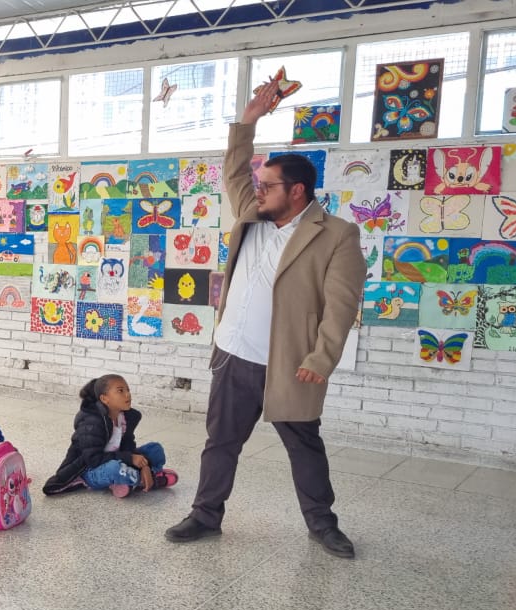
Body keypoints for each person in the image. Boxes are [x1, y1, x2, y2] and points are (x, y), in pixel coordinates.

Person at [164, 78, 367, 559]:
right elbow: (234, 169)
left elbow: (341, 304)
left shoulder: (336, 234)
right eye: (258, 185)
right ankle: (205, 515)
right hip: (234, 355)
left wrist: (322, 358)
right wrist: (250, 119)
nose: (257, 190)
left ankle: (322, 525)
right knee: (221, 443)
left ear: (296, 192)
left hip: (291, 363)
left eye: (268, 185)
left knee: (304, 447)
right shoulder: (253, 215)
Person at [42, 375, 177, 497]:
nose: (128, 395)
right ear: (104, 398)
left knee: (155, 449)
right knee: (114, 468)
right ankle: (150, 479)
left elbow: (128, 445)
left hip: (117, 458)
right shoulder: (92, 422)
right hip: (89, 469)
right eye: (120, 391)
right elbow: (93, 459)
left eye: (128, 390)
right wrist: (130, 459)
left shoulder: (127, 417)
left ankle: (131, 480)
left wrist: (143, 465)